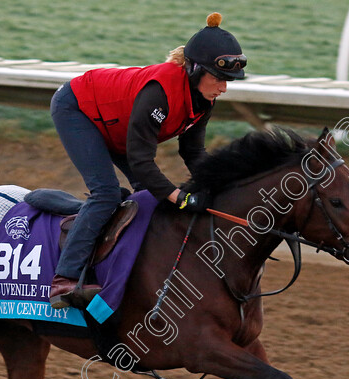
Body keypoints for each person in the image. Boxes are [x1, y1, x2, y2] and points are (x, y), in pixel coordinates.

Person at [48, 12, 247, 309]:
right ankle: (64, 279)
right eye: (219, 78)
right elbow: (142, 161)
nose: (224, 87)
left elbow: (193, 153)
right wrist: (180, 197)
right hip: (78, 108)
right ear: (194, 70)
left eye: (228, 80)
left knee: (145, 195)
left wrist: (219, 187)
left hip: (118, 126)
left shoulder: (204, 101)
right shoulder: (160, 92)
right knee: (105, 192)